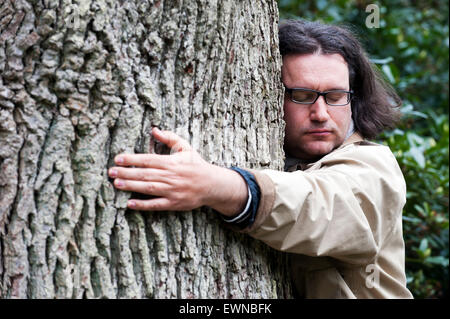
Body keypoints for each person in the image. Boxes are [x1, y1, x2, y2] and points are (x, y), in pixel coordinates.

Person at [108, 19, 413, 299]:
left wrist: (215, 185)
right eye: (302, 95)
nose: (321, 114)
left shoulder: (375, 167)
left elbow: (321, 206)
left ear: (353, 99)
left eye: (334, 96)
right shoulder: (281, 162)